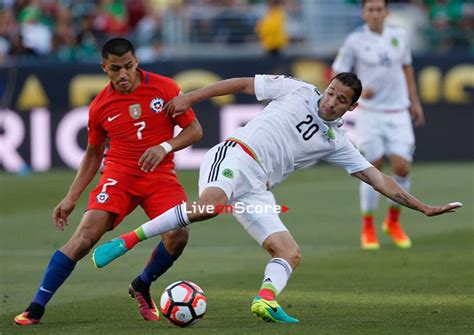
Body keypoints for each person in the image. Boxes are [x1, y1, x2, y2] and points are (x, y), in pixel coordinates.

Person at [92, 73, 461, 323]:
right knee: (209, 207)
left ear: (351, 108)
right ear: (326, 87)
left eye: (341, 100)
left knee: (290, 253)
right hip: (235, 154)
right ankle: (126, 241)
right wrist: (191, 95)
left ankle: (266, 299)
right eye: (331, 92)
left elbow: (378, 179)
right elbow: (240, 84)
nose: (330, 101)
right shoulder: (297, 90)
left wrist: (423, 207)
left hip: (258, 186)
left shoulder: (337, 142)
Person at [14, 38, 203, 325]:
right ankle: (36, 307)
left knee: (178, 235)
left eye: (128, 66)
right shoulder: (100, 106)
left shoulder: (165, 88)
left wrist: (164, 147)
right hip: (119, 177)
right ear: (105, 68)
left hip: (160, 177)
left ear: (136, 61)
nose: (123, 74)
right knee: (83, 240)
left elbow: (194, 130)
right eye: (116, 69)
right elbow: (92, 154)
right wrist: (71, 197)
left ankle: (142, 284)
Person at [331, 0, 425, 250]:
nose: (374, 14)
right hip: (370, 113)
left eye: (378, 9)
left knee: (402, 167)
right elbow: (338, 73)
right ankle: (368, 224)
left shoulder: (400, 36)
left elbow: (407, 69)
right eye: (370, 9)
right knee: (373, 167)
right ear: (364, 13)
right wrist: (357, 93)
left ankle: (393, 221)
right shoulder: (354, 41)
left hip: (398, 111)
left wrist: (415, 101)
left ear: (386, 12)